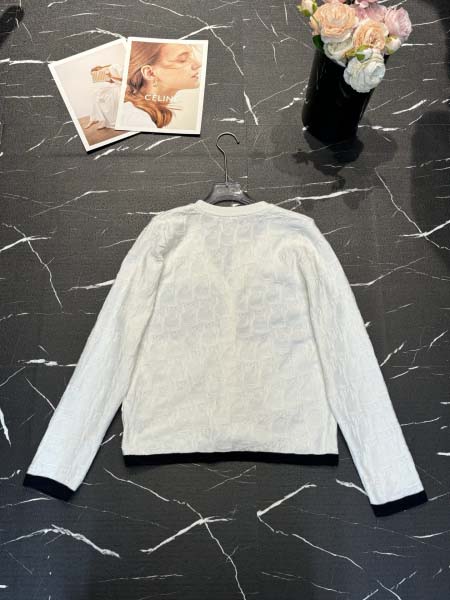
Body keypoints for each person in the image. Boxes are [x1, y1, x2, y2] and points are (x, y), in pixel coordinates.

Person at [120, 42, 202, 129]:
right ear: (150, 73)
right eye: (182, 59)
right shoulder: (137, 121)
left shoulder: (139, 116)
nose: (198, 64)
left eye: (191, 56)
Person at [85, 63, 123, 130]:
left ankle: (96, 119)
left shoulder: (115, 66)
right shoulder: (105, 72)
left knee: (98, 95)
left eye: (97, 73)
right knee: (96, 95)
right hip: (113, 87)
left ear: (98, 69)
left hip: (119, 86)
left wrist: (110, 76)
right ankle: (96, 119)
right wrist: (107, 79)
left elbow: (124, 79)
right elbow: (112, 82)